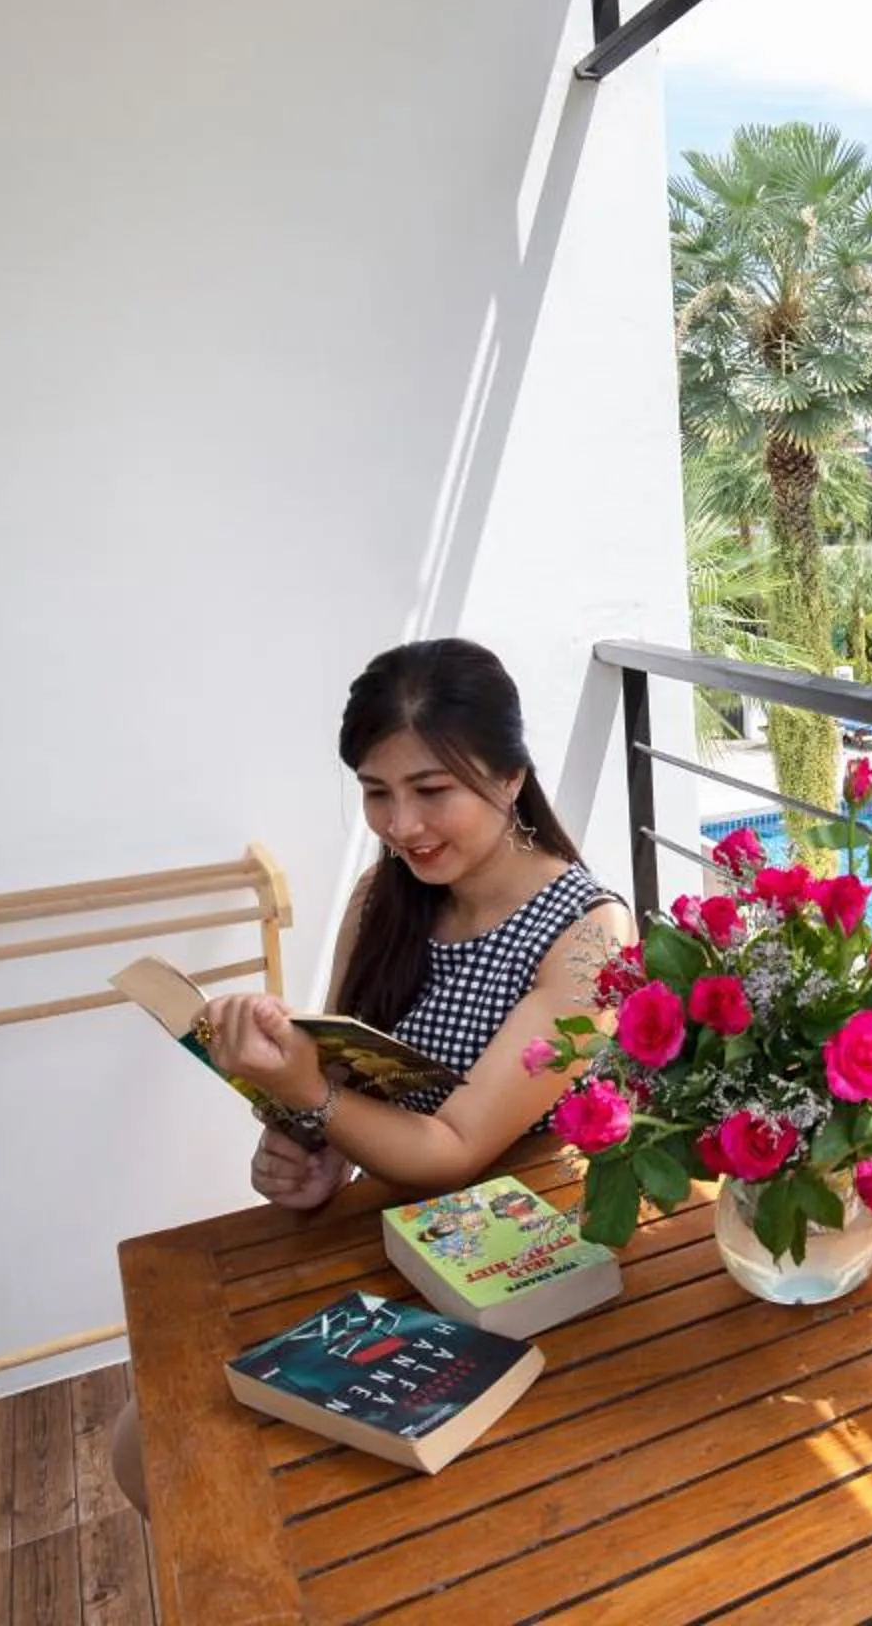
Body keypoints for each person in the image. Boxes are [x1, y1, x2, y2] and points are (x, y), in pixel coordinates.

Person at [111, 637, 626, 1515]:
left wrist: (311, 1095)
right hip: (393, 1240)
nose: (401, 825)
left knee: (246, 1483)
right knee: (148, 1444)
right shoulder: (380, 899)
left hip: (523, 1265)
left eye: (431, 790)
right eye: (376, 791)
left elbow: (454, 1146)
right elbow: (354, 1084)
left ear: (509, 778)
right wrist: (310, 1155)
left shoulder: (587, 936)